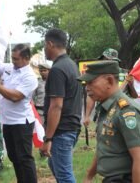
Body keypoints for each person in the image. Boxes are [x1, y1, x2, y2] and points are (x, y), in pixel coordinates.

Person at [78, 61, 140, 183]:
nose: (87, 88)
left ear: (109, 81)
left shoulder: (126, 111)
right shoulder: (107, 107)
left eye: (91, 82)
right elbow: (104, 147)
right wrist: (89, 176)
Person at [0, 44, 38, 183]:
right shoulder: (9, 67)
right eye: (12, 58)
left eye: (16, 59)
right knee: (14, 157)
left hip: (21, 123)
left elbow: (15, 97)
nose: (13, 61)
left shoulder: (30, 76)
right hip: (7, 122)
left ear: (26, 58)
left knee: (24, 158)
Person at [40, 29, 82, 183]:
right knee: (56, 166)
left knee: (64, 175)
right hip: (71, 127)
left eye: (45, 44)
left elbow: (56, 106)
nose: (44, 48)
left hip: (62, 130)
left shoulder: (57, 69)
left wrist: (48, 138)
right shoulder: (71, 64)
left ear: (50, 44)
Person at [83, 48, 138, 127]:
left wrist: (131, 85)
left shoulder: (125, 74)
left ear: (115, 61)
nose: (104, 62)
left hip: (122, 113)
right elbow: (91, 96)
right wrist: (87, 116)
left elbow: (134, 96)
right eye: (103, 59)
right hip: (104, 113)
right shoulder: (97, 76)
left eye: (107, 60)